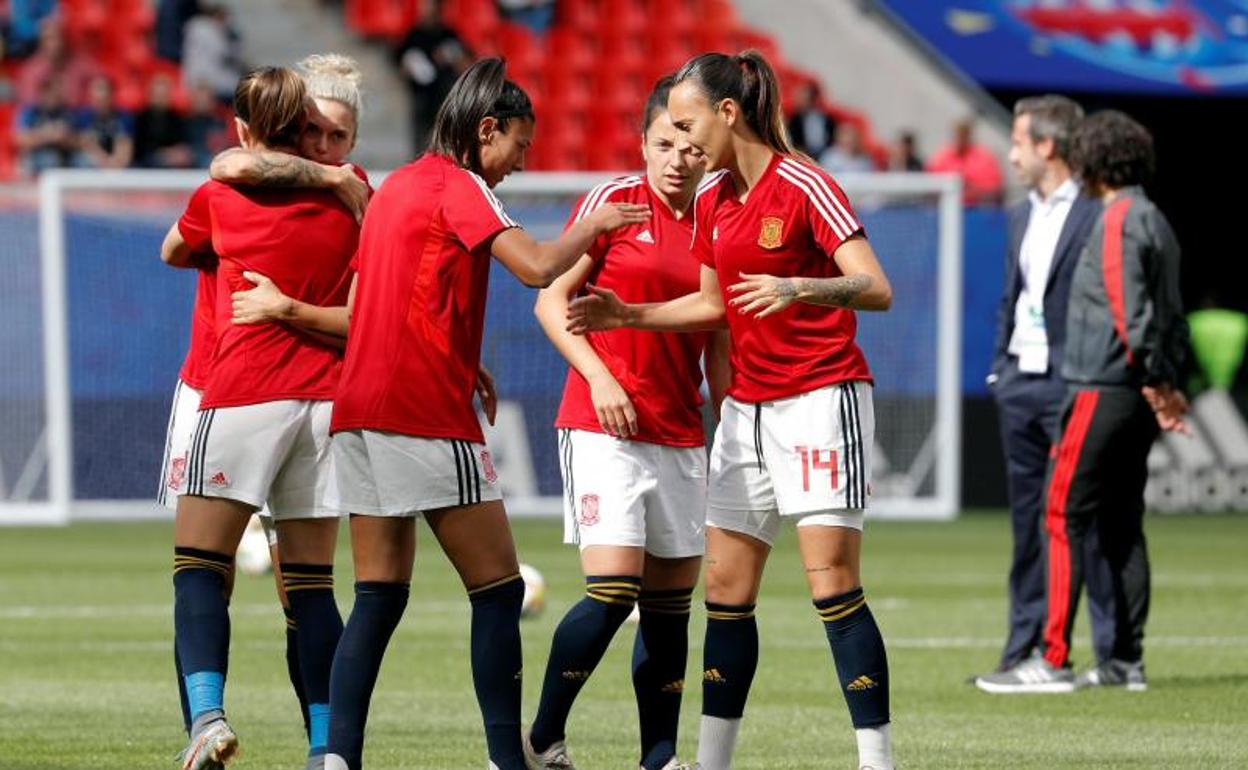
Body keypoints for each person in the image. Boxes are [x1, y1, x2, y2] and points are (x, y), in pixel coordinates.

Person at [567, 50, 896, 770]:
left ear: (726, 113)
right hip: (746, 410)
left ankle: (877, 760)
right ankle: (712, 763)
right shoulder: (715, 199)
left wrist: (801, 289)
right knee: (724, 589)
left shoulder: (805, 181)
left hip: (820, 397)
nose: (682, 142)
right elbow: (714, 304)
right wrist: (631, 312)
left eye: (689, 122)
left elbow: (874, 287)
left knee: (832, 583)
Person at [319, 57, 648, 770]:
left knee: (377, 594)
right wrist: (595, 225)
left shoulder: (397, 186)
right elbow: (535, 267)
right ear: (487, 129)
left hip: (358, 408)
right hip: (422, 411)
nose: (519, 165)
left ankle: (336, 758)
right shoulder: (459, 185)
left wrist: (466, 361)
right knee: (498, 591)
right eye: (519, 147)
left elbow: (386, 300)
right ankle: (509, 759)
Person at [159, 66, 365, 770]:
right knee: (310, 587)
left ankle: (209, 718)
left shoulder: (220, 192)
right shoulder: (354, 190)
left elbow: (173, 247)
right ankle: (326, 749)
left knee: (198, 566)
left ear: (246, 126)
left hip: (245, 391)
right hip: (328, 403)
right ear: (307, 129)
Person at [525, 76, 730, 770]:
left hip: (680, 431)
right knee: (613, 591)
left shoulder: (716, 220)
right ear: (642, 144)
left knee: (671, 610)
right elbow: (551, 303)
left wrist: (729, 422)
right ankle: (542, 735)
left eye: (691, 146)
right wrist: (602, 375)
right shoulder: (614, 203)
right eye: (664, 143)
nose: (677, 158)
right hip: (603, 421)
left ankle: (659, 758)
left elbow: (721, 337)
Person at [976, 110, 1190, 694]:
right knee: (1121, 523)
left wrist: (1150, 378)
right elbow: (1169, 315)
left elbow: (1128, 310)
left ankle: (1051, 659)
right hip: (1124, 390)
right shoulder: (1154, 217)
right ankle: (1124, 661)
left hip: (1099, 385)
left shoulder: (1117, 217)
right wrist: (1166, 384)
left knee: (1061, 514)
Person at [975, 95, 1117, 684]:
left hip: (1074, 383)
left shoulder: (1098, 211)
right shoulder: (1018, 214)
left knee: (1089, 520)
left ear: (1047, 147)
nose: (1008, 154)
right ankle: (1022, 647)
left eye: (1015, 141)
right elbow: (1014, 296)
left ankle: (1113, 655)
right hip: (1021, 384)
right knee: (1027, 521)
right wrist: (999, 369)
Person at [395, 0, 471, 155]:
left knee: (443, 136)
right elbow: (400, 63)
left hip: (445, 96)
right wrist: (409, 66)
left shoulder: (448, 34)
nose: (427, 10)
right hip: (421, 96)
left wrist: (450, 57)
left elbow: (466, 63)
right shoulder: (413, 34)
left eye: (430, 6)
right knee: (420, 136)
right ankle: (418, 164)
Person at [926, 118, 1004, 206]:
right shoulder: (941, 158)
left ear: (969, 135)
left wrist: (971, 188)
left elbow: (995, 188)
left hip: (978, 210)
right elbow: (930, 186)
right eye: (958, 135)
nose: (960, 138)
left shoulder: (985, 158)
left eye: (963, 134)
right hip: (946, 209)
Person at [14, 76, 77, 173]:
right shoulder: (31, 112)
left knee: (82, 161)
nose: (58, 96)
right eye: (54, 92)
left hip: (63, 155)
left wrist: (64, 138)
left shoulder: (65, 112)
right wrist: (48, 135)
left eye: (59, 92)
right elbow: (20, 140)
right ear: (44, 93)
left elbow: (75, 140)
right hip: (36, 155)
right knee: (50, 160)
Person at [73, 75, 133, 169]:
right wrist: (105, 162)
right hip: (94, 160)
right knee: (81, 160)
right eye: (96, 90)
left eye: (105, 91)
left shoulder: (124, 117)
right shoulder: (82, 117)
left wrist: (116, 163)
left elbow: (124, 146)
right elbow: (86, 144)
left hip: (115, 161)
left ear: (112, 95)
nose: (101, 96)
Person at [134, 73, 193, 168]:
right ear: (150, 95)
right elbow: (139, 149)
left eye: (164, 95)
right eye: (157, 95)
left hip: (173, 161)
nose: (160, 98)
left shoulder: (176, 118)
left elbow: (182, 143)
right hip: (147, 162)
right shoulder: (140, 118)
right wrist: (164, 153)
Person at [786, 81, 836, 160]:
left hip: (824, 155)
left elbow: (832, 138)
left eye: (804, 98)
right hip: (804, 154)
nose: (800, 100)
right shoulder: (794, 119)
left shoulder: (826, 118)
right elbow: (793, 141)